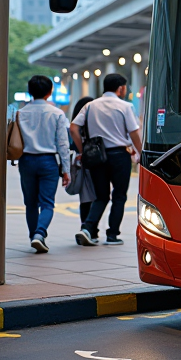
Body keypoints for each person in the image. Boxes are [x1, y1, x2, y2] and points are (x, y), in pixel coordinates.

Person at [71, 74, 142, 246]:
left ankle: (87, 228)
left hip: (97, 156)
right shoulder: (125, 106)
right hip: (119, 155)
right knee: (119, 195)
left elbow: (73, 128)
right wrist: (141, 152)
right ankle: (112, 235)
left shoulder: (90, 105)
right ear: (120, 88)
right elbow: (133, 132)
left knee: (101, 196)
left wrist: (83, 150)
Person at [15, 75, 71, 253]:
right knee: (47, 203)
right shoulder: (57, 113)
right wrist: (66, 169)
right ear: (50, 92)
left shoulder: (20, 113)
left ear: (30, 91)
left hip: (26, 160)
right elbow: (63, 143)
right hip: (48, 161)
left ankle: (34, 236)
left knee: (30, 203)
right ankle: (40, 234)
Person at [69, 95, 96, 226]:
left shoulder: (76, 126)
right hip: (93, 162)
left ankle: (85, 225)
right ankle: (88, 228)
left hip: (81, 164)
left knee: (85, 198)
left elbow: (71, 145)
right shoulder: (90, 125)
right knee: (95, 197)